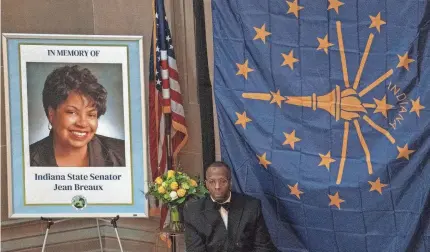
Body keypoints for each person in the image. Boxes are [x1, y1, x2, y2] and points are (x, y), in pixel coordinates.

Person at [29, 65, 125, 167]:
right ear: (51, 114)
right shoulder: (26, 159)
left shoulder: (123, 153)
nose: (83, 123)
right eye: (72, 112)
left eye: (91, 114)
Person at [183, 161, 276, 252]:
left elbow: (263, 247)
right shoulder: (193, 211)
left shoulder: (251, 206)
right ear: (206, 184)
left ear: (230, 183)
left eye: (223, 181)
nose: (217, 186)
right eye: (212, 182)